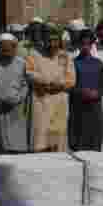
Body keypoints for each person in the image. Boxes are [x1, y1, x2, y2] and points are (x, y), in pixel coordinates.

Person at [25, 24, 75, 152]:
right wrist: (47, 81)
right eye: (49, 40)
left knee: (58, 142)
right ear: (44, 39)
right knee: (41, 141)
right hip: (41, 102)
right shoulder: (34, 54)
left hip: (60, 103)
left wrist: (59, 84)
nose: (52, 44)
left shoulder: (65, 56)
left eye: (55, 40)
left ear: (59, 41)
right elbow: (29, 73)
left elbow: (71, 80)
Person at [0, 32, 31, 153]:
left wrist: (18, 98)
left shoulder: (22, 63)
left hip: (16, 107)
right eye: (3, 49)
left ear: (14, 47)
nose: (6, 52)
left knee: (16, 145)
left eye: (9, 49)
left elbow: (26, 84)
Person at [70, 29, 103, 151]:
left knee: (94, 143)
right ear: (78, 44)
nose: (85, 47)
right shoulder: (73, 63)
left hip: (95, 109)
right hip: (78, 110)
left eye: (88, 44)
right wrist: (81, 92)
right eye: (83, 43)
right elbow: (69, 86)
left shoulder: (98, 63)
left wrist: (97, 93)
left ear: (92, 45)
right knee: (79, 144)